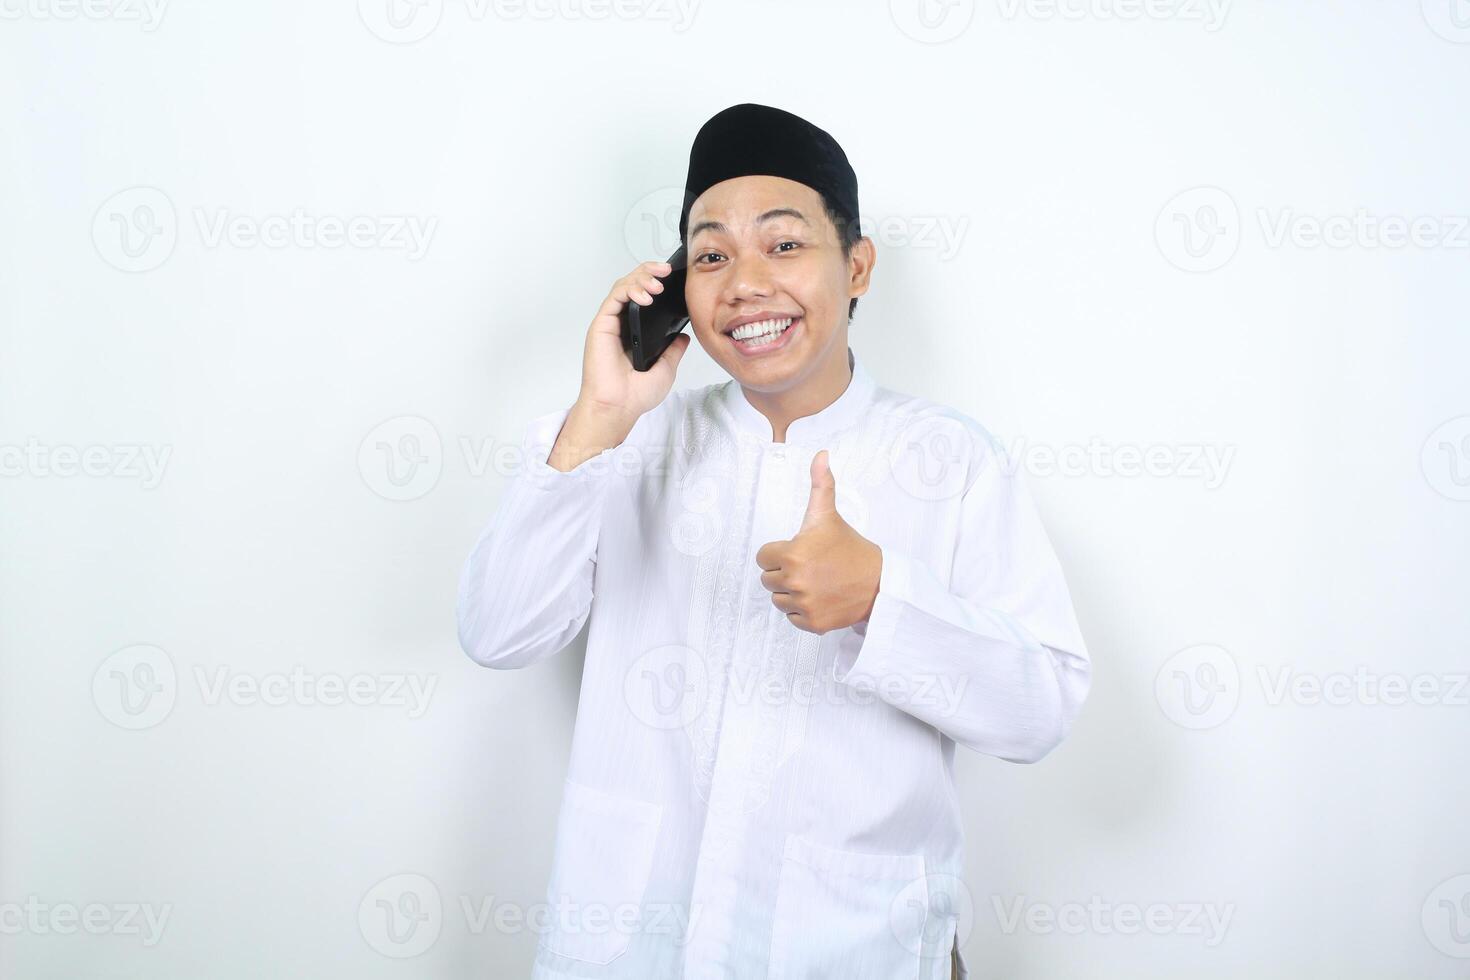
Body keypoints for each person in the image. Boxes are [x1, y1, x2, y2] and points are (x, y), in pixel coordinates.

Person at [457, 103, 1091, 980]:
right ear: (677, 284)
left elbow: (1041, 710)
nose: (745, 283)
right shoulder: (626, 444)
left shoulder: (952, 461)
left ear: (857, 265)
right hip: (640, 946)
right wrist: (597, 418)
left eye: (784, 245)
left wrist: (881, 599)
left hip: (854, 948)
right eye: (710, 254)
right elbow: (499, 633)